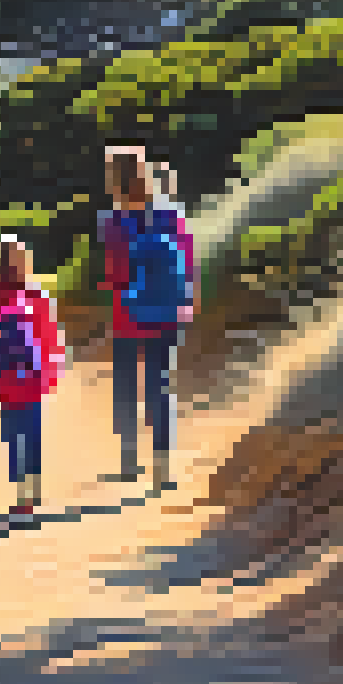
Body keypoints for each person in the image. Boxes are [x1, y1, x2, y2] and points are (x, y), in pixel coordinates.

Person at [100, 147, 196, 491]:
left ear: (114, 180)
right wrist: (187, 303)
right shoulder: (171, 214)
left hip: (127, 314)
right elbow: (189, 260)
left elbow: (114, 274)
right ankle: (162, 467)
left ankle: (129, 459)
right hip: (168, 312)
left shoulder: (113, 221)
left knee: (126, 385)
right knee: (160, 385)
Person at [0, 236, 67, 517]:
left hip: (12, 380)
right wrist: (52, 372)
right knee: (24, 435)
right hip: (24, 380)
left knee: (18, 436)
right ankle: (28, 492)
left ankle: (25, 493)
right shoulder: (31, 295)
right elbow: (50, 339)